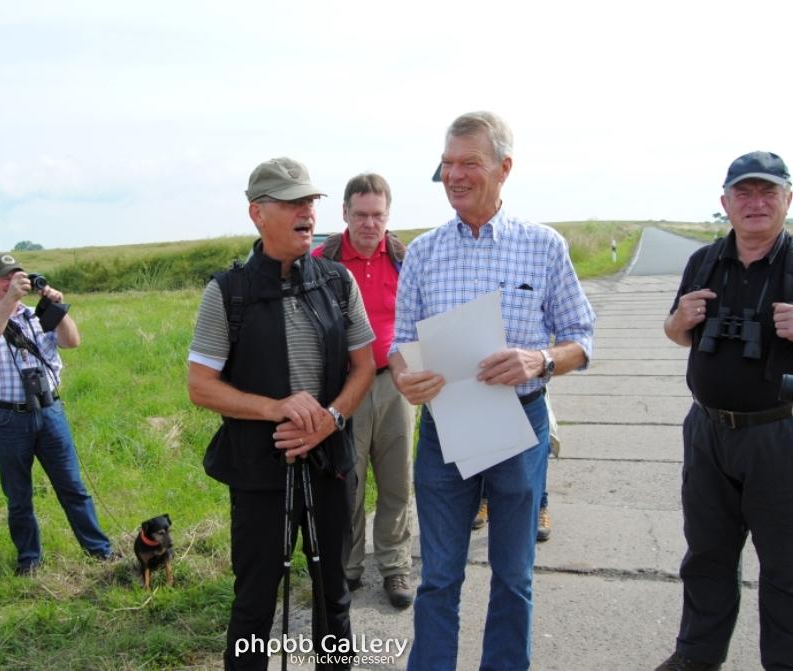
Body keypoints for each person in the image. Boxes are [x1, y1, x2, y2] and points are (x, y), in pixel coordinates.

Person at [390, 111, 595, 671]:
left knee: (514, 575)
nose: (454, 175)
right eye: (447, 164)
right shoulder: (424, 252)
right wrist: (404, 375)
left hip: (520, 425)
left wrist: (540, 359)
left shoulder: (543, 246)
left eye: (469, 163)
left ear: (504, 168)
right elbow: (400, 342)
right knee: (438, 576)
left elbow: (581, 339)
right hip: (444, 430)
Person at [188, 157, 375, 671]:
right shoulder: (228, 292)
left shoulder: (337, 282)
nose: (306, 212)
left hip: (330, 464)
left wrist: (330, 419)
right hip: (259, 471)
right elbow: (200, 386)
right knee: (253, 602)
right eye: (292, 202)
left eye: (309, 201)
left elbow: (364, 367)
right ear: (257, 213)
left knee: (334, 595)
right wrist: (275, 408)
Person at [658, 151, 793, 671]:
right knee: (705, 556)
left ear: (788, 200)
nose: (755, 203)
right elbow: (676, 333)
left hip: (782, 434)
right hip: (708, 430)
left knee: (789, 568)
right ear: (725, 202)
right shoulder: (704, 261)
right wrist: (678, 322)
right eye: (743, 193)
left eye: (768, 192)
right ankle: (696, 658)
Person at [0, 255, 115, 576]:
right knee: (19, 496)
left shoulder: (37, 315)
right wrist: (10, 300)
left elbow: (71, 341)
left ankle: (99, 551)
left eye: (17, 277)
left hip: (49, 411)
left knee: (72, 487)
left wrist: (57, 309)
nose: (11, 282)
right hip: (7, 417)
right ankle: (29, 560)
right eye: (4, 278)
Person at [312, 173, 415, 609]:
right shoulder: (321, 260)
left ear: (388, 215)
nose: (370, 224)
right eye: (360, 215)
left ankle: (395, 566)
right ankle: (348, 567)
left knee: (397, 482)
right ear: (344, 213)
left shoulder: (406, 259)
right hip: (344, 388)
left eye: (378, 215)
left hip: (395, 384)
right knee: (347, 483)